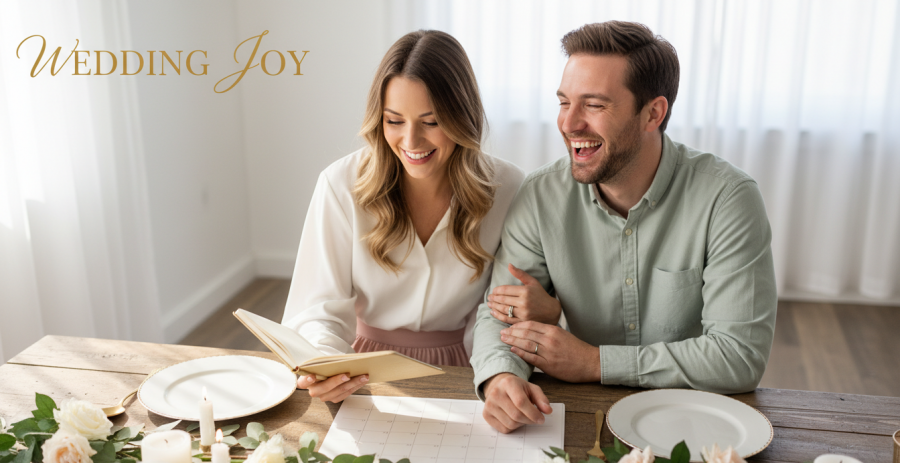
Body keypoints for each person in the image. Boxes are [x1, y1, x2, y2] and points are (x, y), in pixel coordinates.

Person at [471, 21, 777, 433]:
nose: (570, 123)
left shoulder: (728, 199)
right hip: (576, 419)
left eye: (594, 105)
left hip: (694, 423)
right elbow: (499, 315)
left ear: (653, 113)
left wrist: (594, 362)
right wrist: (501, 377)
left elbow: (737, 357)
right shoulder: (541, 195)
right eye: (564, 102)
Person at [282, 30, 556, 404]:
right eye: (394, 121)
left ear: (462, 117)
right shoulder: (340, 184)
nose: (411, 141)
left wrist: (502, 367)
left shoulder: (508, 187)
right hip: (360, 373)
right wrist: (323, 360)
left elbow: (504, 310)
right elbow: (317, 308)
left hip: (464, 368)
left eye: (431, 122)